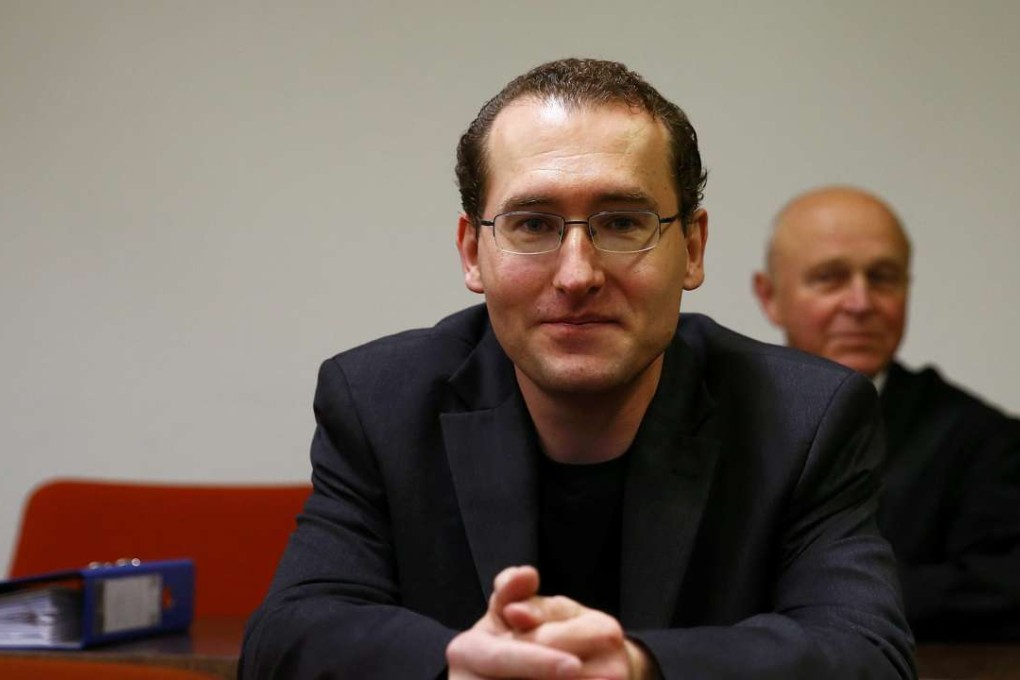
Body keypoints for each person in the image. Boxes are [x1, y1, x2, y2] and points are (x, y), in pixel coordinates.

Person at [241, 60, 914, 678]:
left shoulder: (806, 417)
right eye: (532, 225)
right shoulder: (380, 401)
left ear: (694, 248)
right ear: (473, 252)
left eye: (621, 223)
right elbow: (287, 636)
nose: (577, 275)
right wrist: (454, 666)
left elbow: (867, 653)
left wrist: (637, 668)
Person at [753, 185, 1020, 641]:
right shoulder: (712, 420)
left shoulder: (984, 441)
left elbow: (1002, 586)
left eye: (883, 278)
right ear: (769, 296)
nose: (861, 303)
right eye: (830, 278)